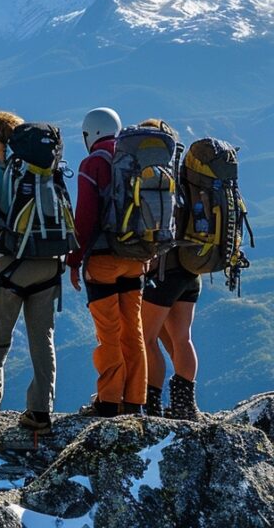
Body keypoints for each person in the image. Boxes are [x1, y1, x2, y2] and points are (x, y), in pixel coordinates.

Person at [0, 112, 60, 434]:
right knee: (42, 339)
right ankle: (40, 413)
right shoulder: (47, 172)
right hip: (49, 262)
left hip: (11, 264)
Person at [68, 107, 147, 416]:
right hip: (136, 258)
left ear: (90, 133)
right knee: (133, 329)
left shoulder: (93, 163)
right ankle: (135, 401)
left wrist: (74, 261)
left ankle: (109, 401)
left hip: (103, 260)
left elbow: (85, 219)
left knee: (108, 333)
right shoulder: (136, 159)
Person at [138, 119, 200, 420]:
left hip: (162, 273)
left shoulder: (156, 178)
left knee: (145, 337)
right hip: (190, 269)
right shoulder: (190, 176)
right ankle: (184, 405)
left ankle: (150, 404)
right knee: (181, 338)